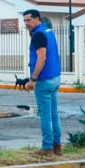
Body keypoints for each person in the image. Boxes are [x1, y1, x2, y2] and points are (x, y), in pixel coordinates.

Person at [22, 10, 62, 158]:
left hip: (43, 80)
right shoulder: (48, 31)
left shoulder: (38, 35)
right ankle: (57, 146)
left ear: (37, 19)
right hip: (54, 77)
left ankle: (47, 148)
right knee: (53, 114)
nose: (26, 23)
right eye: (24, 21)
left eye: (28, 20)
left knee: (45, 115)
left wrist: (33, 79)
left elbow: (41, 58)